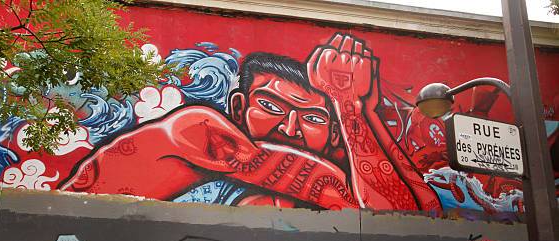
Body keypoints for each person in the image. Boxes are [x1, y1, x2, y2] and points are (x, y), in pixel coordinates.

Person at [60, 34, 440, 212]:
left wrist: (356, 107)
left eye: (311, 118)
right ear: (239, 106)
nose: (290, 129)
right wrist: (349, 105)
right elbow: (390, 218)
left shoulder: (338, 167)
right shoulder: (197, 132)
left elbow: (422, 211)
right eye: (271, 107)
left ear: (336, 133)